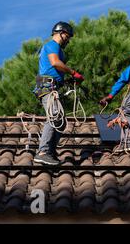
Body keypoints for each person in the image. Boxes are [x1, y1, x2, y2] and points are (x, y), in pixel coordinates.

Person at [33, 21, 84, 165]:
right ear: (61, 33)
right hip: (46, 83)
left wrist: (66, 80)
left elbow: (54, 69)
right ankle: (43, 152)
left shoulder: (56, 48)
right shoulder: (52, 45)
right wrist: (73, 73)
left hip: (51, 84)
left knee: (61, 123)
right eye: (68, 36)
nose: (68, 40)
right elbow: (55, 63)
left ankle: (50, 151)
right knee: (55, 117)